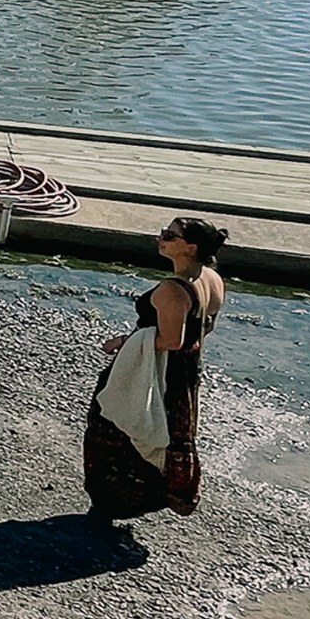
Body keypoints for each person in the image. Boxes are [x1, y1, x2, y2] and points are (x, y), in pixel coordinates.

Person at [85, 216, 228, 523]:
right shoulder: (213, 279)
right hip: (187, 372)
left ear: (189, 248)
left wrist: (128, 342)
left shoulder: (172, 290)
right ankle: (161, 491)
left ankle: (116, 501)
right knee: (171, 431)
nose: (160, 238)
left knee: (119, 421)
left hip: (157, 369)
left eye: (170, 235)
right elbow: (207, 326)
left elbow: (170, 340)